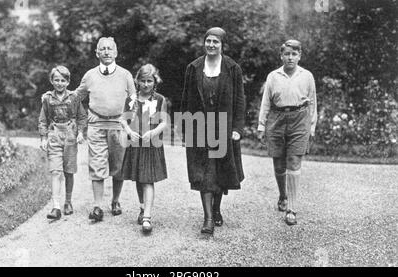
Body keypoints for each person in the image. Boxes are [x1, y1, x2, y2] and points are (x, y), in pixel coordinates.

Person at [181, 27, 246, 234]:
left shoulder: (232, 68)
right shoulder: (194, 67)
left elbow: (239, 100)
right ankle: (208, 219)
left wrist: (237, 128)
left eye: (215, 42)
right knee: (205, 172)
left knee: (220, 171)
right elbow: (186, 100)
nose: (211, 45)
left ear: (222, 45)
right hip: (199, 126)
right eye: (208, 41)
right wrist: (186, 129)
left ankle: (216, 209)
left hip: (223, 127)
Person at [76, 37, 137, 222]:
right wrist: (55, 96)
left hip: (118, 126)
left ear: (116, 52)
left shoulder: (126, 75)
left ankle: (116, 201)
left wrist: (128, 121)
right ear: (97, 53)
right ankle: (97, 206)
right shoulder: (90, 75)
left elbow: (133, 101)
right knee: (97, 164)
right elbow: (76, 98)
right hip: (96, 126)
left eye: (110, 48)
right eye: (102, 49)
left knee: (118, 165)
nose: (107, 52)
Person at [257, 39, 317, 226]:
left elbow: (313, 102)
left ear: (299, 56)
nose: (290, 58)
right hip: (277, 118)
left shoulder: (306, 76)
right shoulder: (273, 76)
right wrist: (261, 125)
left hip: (300, 118)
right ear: (281, 55)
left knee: (294, 161)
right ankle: (283, 195)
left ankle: (291, 208)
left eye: (294, 54)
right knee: (278, 163)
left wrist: (312, 127)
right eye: (287, 54)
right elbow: (266, 101)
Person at [120, 64, 168, 233]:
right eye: (143, 81)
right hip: (135, 143)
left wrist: (154, 132)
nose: (146, 84)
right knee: (139, 179)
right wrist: (129, 132)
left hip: (151, 144)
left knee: (148, 179)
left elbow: (163, 122)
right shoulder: (131, 99)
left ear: (155, 82)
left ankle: (147, 216)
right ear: (137, 81)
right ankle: (142, 207)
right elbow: (123, 120)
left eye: (149, 81)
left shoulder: (160, 99)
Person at [38, 65, 87, 220]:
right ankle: (56, 206)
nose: (59, 83)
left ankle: (68, 201)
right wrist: (43, 137)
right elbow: (43, 120)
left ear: (68, 82)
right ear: (52, 81)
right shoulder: (47, 98)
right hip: (54, 135)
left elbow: (82, 117)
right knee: (55, 171)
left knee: (68, 171)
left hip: (70, 135)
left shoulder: (74, 97)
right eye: (56, 80)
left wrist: (80, 132)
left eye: (63, 80)